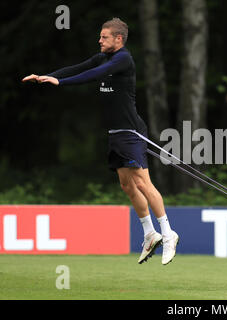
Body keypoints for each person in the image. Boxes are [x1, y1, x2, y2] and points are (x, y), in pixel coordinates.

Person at [22, 18, 179, 265]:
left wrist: (61, 82)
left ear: (118, 39)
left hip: (130, 131)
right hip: (116, 133)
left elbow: (93, 74)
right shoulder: (102, 57)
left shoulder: (122, 59)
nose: (99, 40)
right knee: (127, 186)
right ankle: (150, 233)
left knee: (142, 181)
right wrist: (47, 77)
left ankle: (169, 234)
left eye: (104, 37)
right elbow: (78, 67)